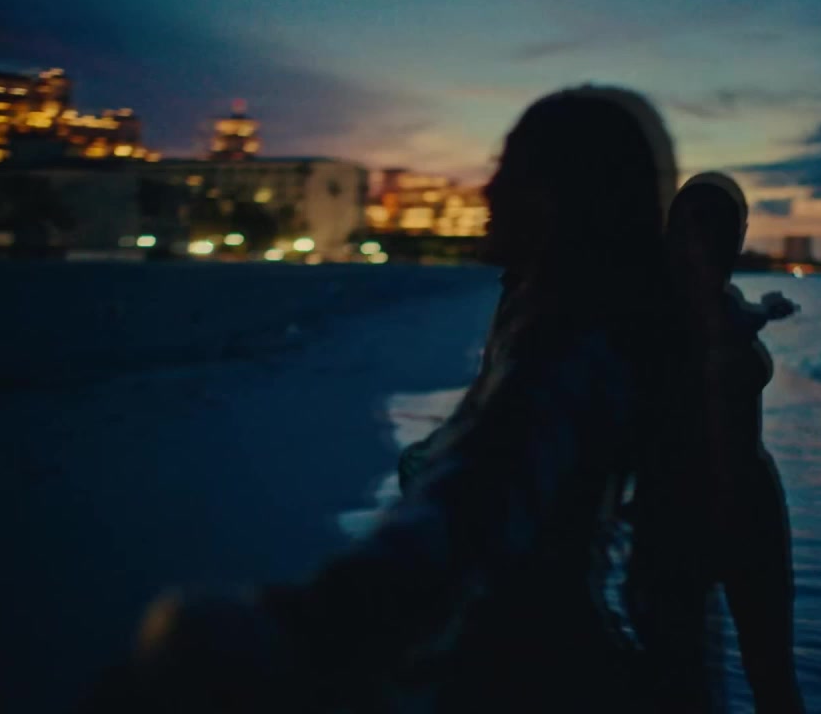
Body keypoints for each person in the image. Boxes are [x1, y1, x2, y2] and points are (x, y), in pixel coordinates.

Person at [82, 84, 683, 714]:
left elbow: (476, 502)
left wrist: (312, 622)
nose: (487, 189)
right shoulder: (569, 327)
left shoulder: (568, 346)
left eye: (509, 169)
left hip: (524, 676)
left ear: (562, 197)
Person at [625, 171, 805, 713]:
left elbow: (740, 319)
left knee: (772, 676)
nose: (704, 239)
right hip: (675, 510)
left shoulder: (728, 304)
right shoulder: (652, 316)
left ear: (738, 237)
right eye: (691, 224)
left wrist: (766, 309)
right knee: (678, 681)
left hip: (750, 505)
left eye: (721, 226)